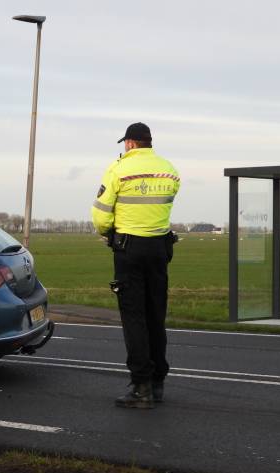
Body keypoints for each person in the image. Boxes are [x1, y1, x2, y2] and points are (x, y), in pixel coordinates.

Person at [91, 122, 180, 409]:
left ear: (129, 143)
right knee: (156, 315)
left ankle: (141, 387)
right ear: (149, 142)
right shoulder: (170, 170)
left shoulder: (118, 169)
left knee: (134, 318)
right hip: (159, 248)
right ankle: (157, 382)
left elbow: (102, 215)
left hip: (129, 249)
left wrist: (109, 233)